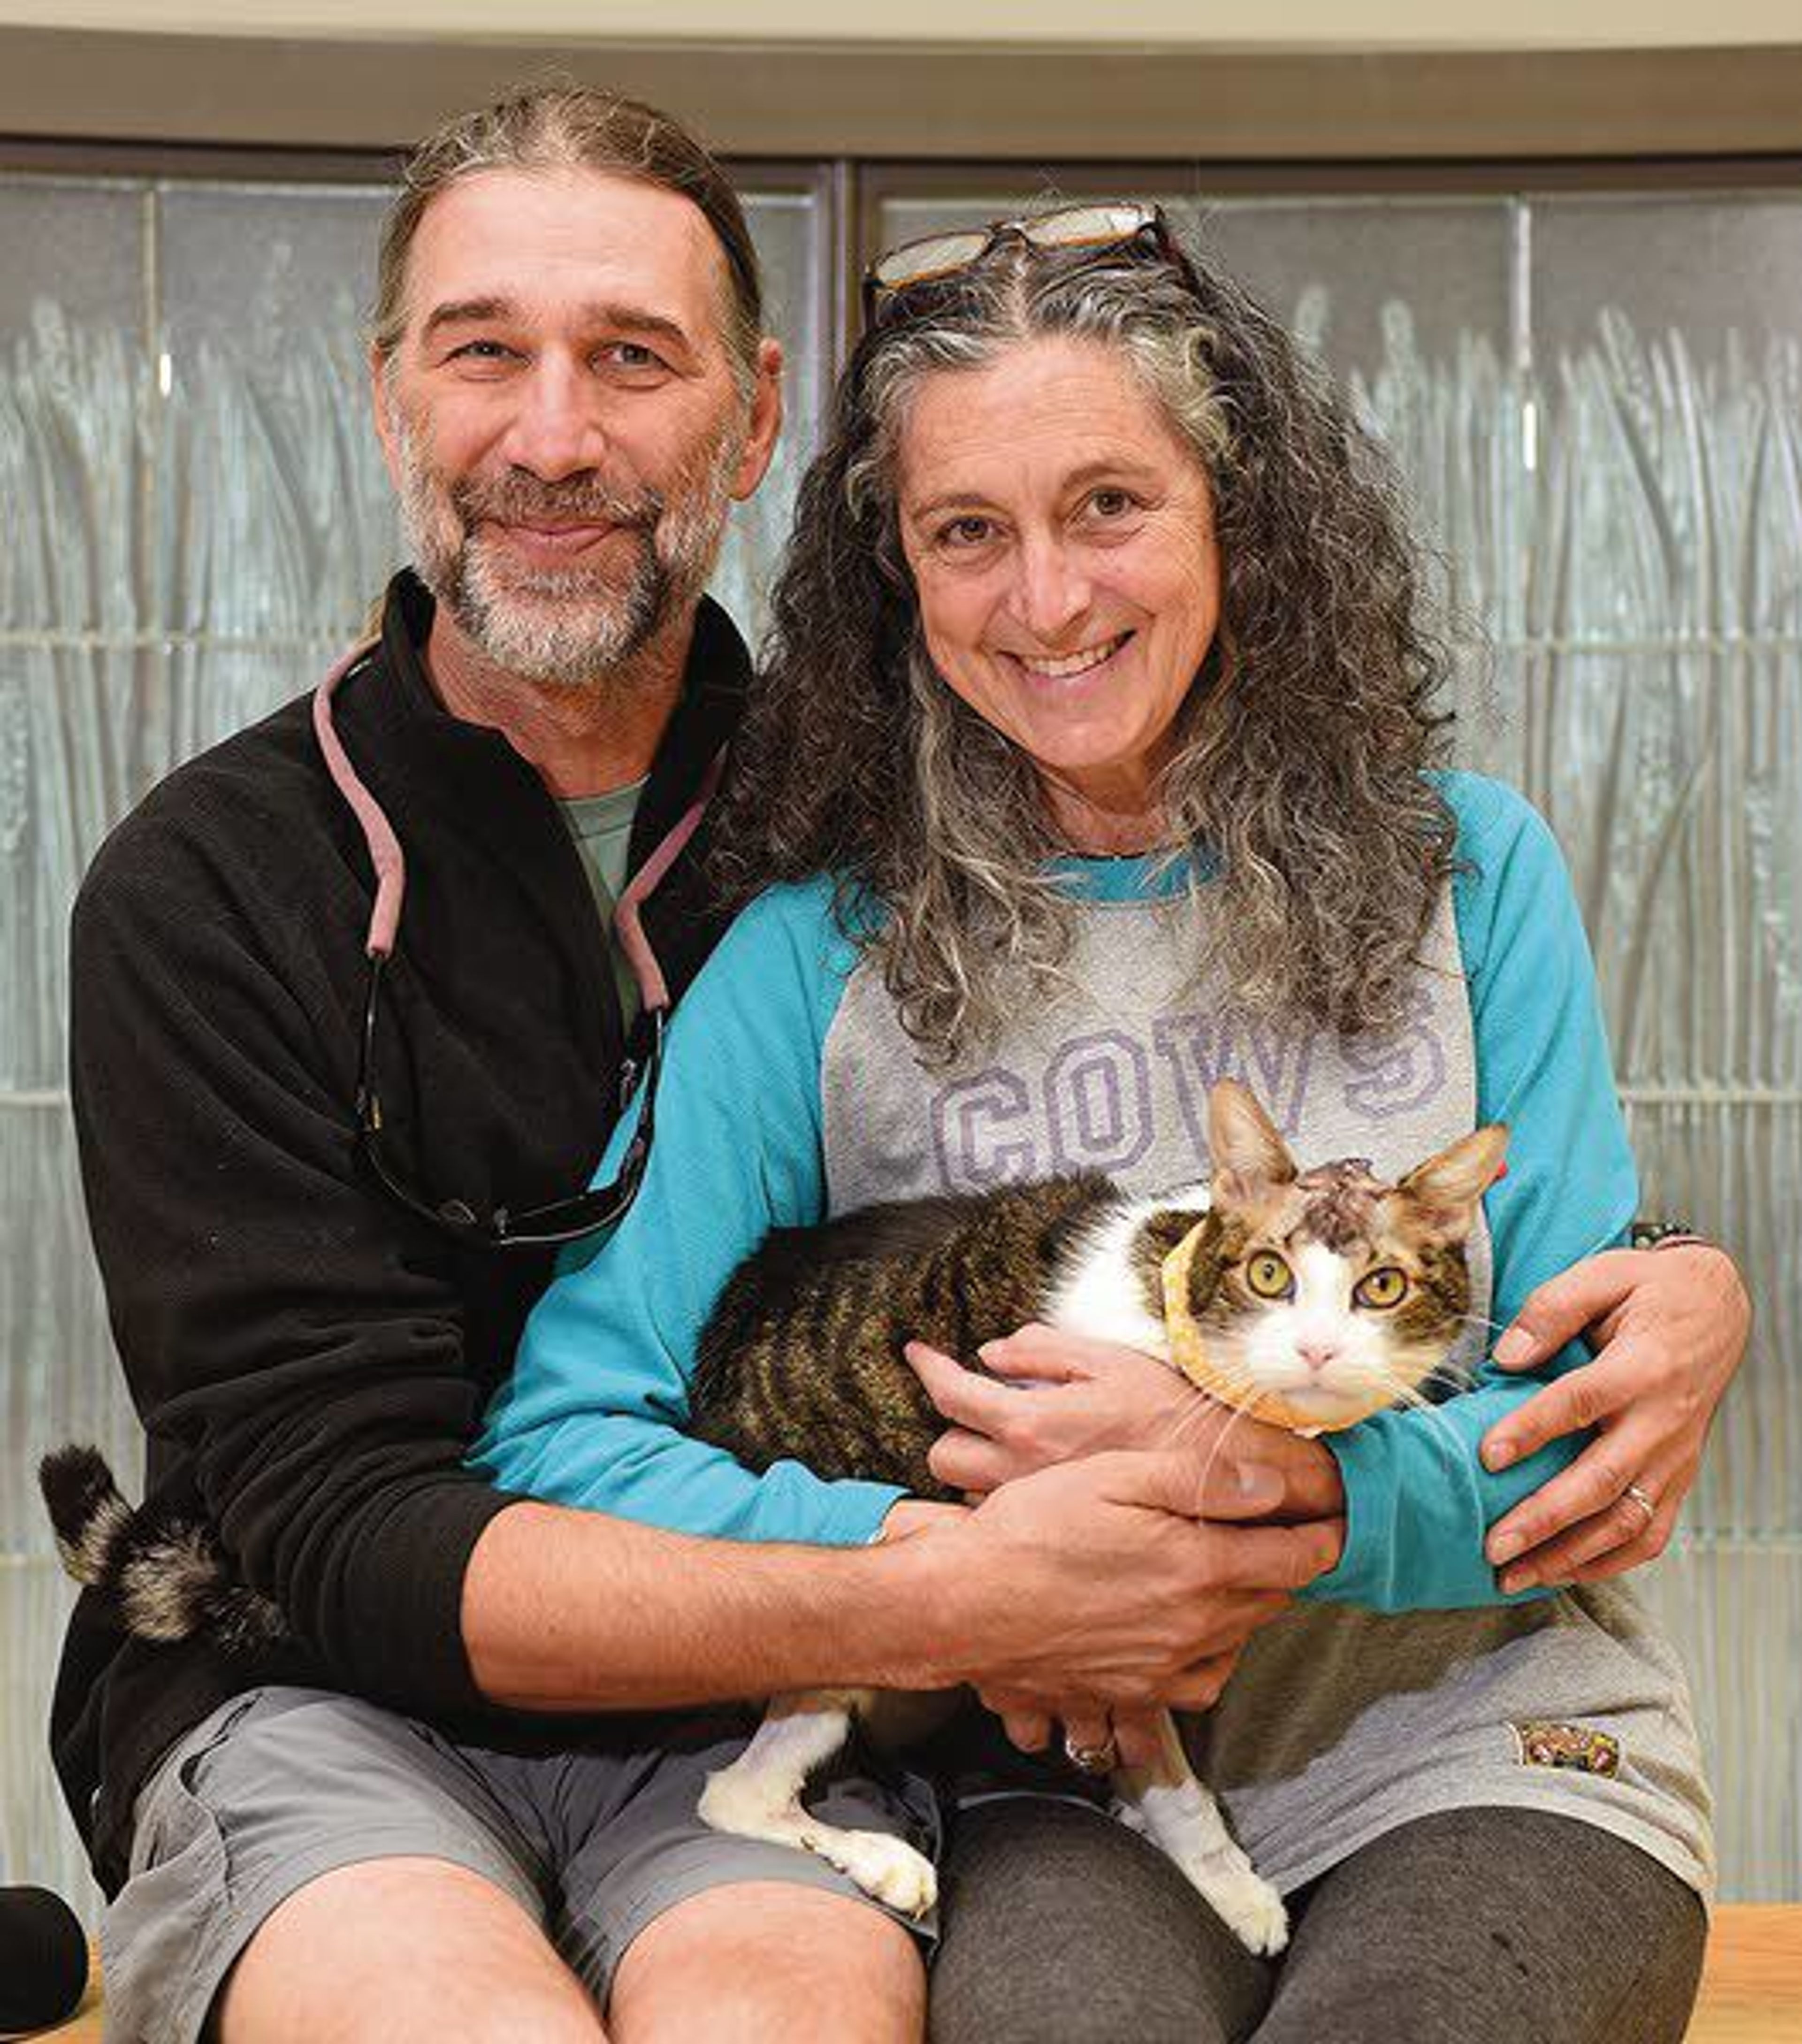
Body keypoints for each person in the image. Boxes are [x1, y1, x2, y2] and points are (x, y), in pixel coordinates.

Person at [52, 97, 1358, 2044]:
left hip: (770, 1720)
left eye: (632, 359)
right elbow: (325, 1516)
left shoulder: (918, 824)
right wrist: (956, 1597)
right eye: (483, 349)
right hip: (316, 1683)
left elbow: (1220, 1158)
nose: (554, 437)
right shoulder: (206, 884)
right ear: (392, 394)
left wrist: (1656, 1255)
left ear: (755, 423)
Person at [474, 202, 1747, 2044]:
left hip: (1485, 1745)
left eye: (1109, 507)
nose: (1048, 601)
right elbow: (568, 1442)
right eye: (966, 534)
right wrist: (955, 1576)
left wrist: (1292, 1477)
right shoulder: (805, 964)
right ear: (896, 578)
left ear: (1240, 513)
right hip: (1050, 1783)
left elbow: (1588, 1453)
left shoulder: (1471, 876)